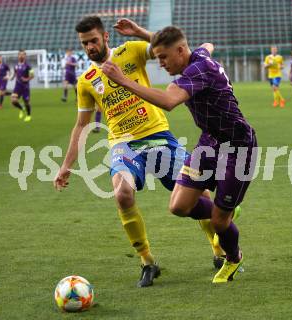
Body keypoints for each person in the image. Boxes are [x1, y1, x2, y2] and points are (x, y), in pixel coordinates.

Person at [53, 16, 223, 287]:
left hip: (158, 135)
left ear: (106, 37)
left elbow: (171, 44)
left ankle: (218, 248)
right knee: (122, 193)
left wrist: (140, 31)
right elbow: (81, 125)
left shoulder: (130, 51)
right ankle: (147, 261)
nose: (89, 47)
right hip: (124, 144)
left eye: (94, 40)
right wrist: (66, 165)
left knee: (197, 193)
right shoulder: (86, 81)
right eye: (84, 43)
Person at [102, 26, 257, 283]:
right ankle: (226, 210)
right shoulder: (198, 55)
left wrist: (124, 80)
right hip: (209, 143)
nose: (160, 63)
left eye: (163, 57)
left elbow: (168, 101)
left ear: (181, 51)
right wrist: (139, 31)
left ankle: (233, 257)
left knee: (219, 222)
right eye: (158, 57)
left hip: (237, 148)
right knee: (179, 206)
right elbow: (207, 43)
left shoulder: (198, 71)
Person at [11, 50, 34, 122]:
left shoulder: (28, 66)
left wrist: (26, 79)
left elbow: (32, 76)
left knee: (26, 102)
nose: (21, 56)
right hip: (17, 86)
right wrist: (11, 77)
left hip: (25, 87)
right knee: (13, 101)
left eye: (23, 54)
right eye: (20, 54)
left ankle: (28, 115)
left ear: (25, 56)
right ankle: (21, 108)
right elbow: (15, 73)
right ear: (18, 56)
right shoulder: (16, 65)